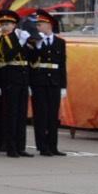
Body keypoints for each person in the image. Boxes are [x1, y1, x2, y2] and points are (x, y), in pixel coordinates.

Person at [27, 9, 68, 156]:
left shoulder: (60, 42)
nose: (37, 27)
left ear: (48, 25)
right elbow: (30, 63)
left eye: (40, 24)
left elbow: (62, 65)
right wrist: (37, 47)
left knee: (52, 115)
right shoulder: (34, 42)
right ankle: (42, 146)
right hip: (39, 82)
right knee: (41, 115)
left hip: (54, 82)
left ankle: (53, 146)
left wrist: (63, 86)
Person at [0, 9, 32, 157]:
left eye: (8, 24)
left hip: (22, 78)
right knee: (11, 114)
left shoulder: (21, 37)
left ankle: (21, 146)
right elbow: (8, 56)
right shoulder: (1, 40)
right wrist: (20, 43)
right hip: (10, 78)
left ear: (14, 25)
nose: (5, 27)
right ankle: (11, 147)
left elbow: (28, 59)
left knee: (22, 114)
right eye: (3, 24)